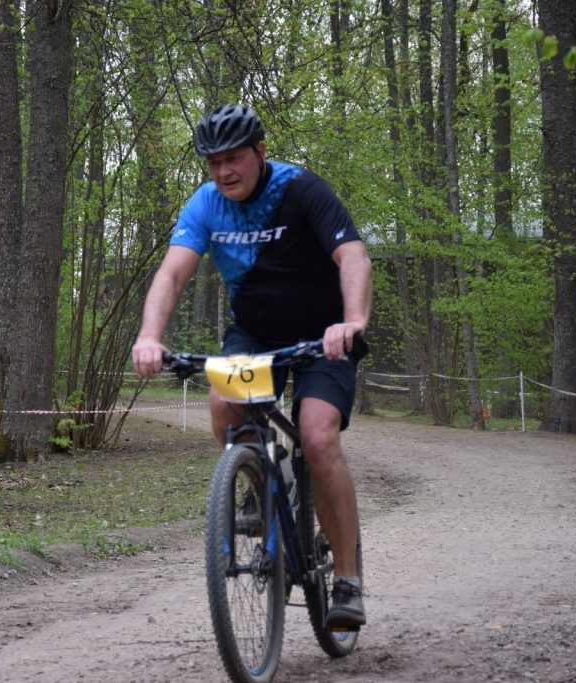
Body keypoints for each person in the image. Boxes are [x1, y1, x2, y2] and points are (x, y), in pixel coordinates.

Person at [131, 103, 372, 628]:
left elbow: (353, 256)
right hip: (256, 334)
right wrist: (150, 336)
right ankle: (262, 487)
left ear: (261, 152)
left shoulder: (301, 190)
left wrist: (352, 321)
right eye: (214, 162)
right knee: (224, 401)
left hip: (324, 336)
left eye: (233, 159)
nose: (223, 172)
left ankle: (347, 579)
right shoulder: (205, 204)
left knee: (318, 436)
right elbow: (172, 275)